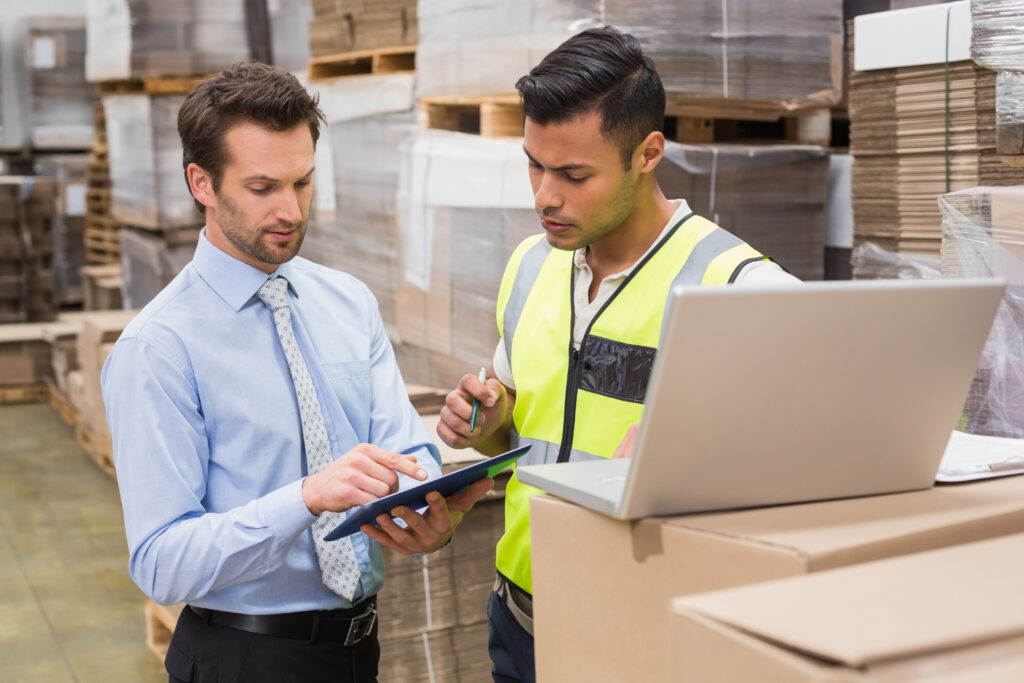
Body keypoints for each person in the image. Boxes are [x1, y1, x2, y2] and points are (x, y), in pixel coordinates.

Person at [101, 61, 493, 683]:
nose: (290, 209)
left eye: (303, 183)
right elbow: (161, 563)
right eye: (263, 188)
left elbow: (405, 450)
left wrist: (428, 515)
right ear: (202, 183)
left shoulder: (348, 302)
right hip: (243, 658)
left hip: (358, 648)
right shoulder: (159, 349)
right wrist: (306, 498)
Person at [435, 26, 800, 683]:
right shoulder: (530, 265)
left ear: (648, 153)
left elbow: (818, 467)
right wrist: (488, 418)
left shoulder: (737, 287)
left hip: (643, 639)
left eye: (574, 175)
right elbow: (522, 421)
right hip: (520, 622)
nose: (544, 195)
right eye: (534, 164)